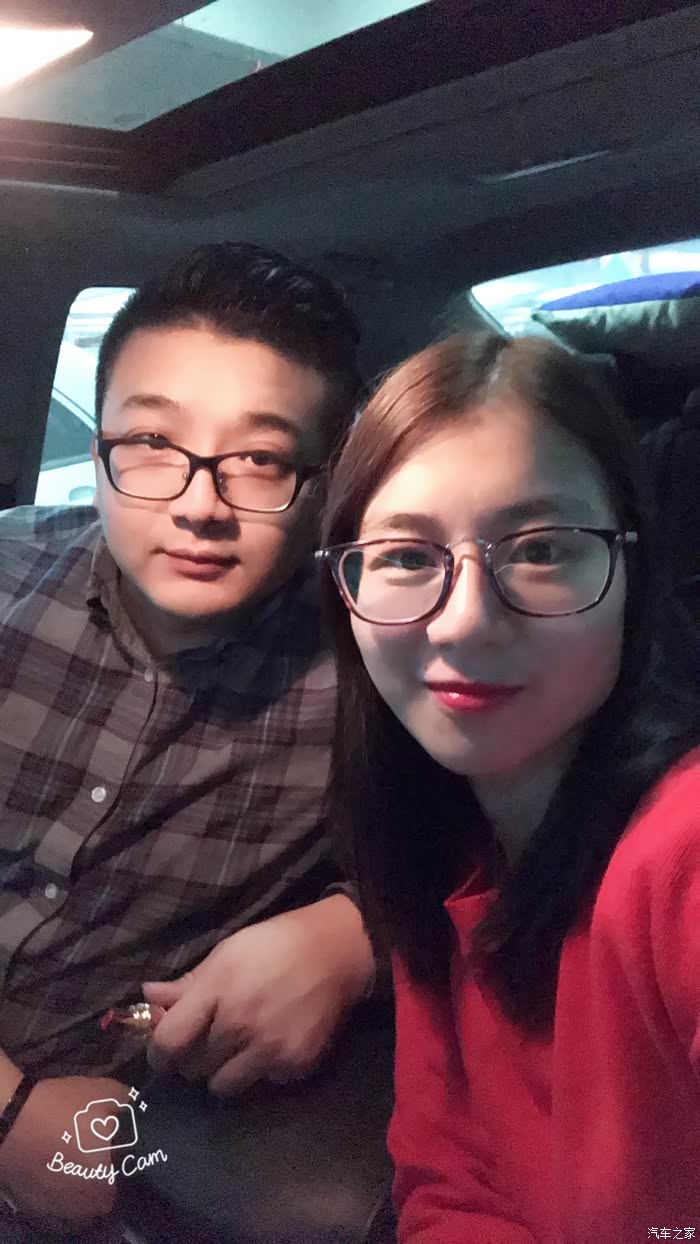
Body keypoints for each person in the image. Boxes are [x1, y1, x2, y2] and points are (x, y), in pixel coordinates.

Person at [0, 243, 375, 1231]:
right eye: (151, 442)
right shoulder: (6, 578)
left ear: (325, 478)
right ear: (99, 447)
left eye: (259, 458)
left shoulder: (375, 670)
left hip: (115, 1168)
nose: (199, 503)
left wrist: (355, 938)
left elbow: (520, 850)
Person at [318, 331, 700, 1242]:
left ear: (632, 572)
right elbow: (449, 1184)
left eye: (541, 549)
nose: (465, 623)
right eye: (407, 556)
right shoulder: (442, 850)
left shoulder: (682, 854)